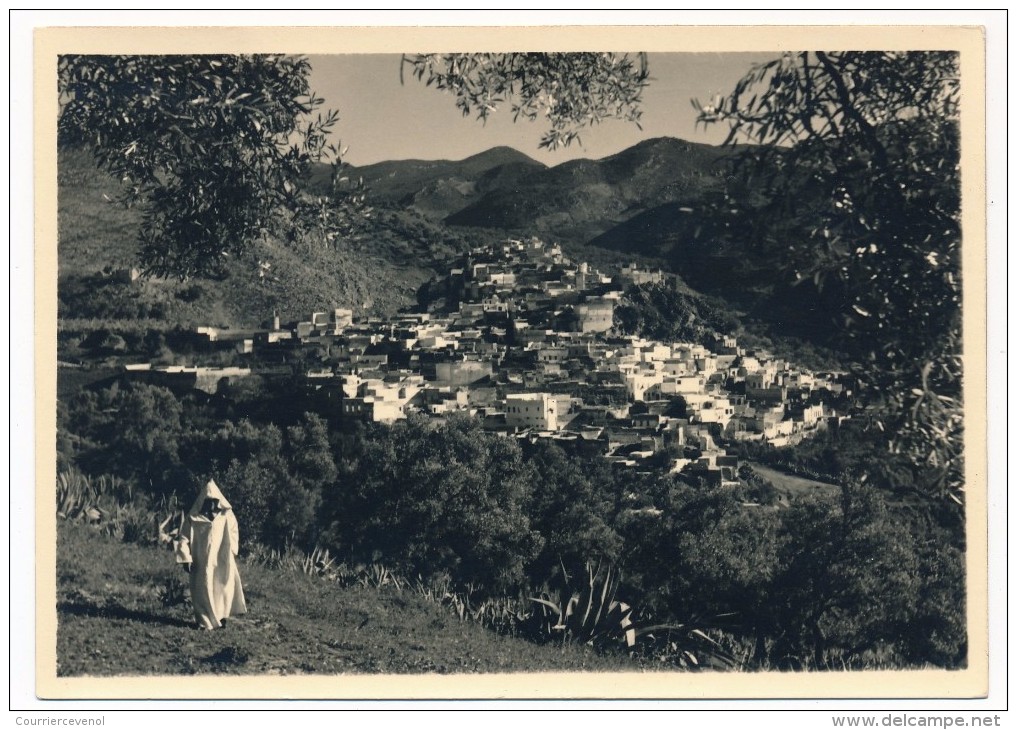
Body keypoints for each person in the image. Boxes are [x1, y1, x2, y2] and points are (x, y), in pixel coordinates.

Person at [174, 479, 247, 630]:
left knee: (223, 589)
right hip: (200, 562)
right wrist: (186, 558)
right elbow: (183, 538)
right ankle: (204, 622)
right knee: (202, 589)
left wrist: (232, 550)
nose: (212, 504)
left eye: (214, 501)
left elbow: (234, 531)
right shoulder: (194, 518)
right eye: (209, 501)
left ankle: (221, 618)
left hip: (221, 559)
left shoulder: (226, 516)